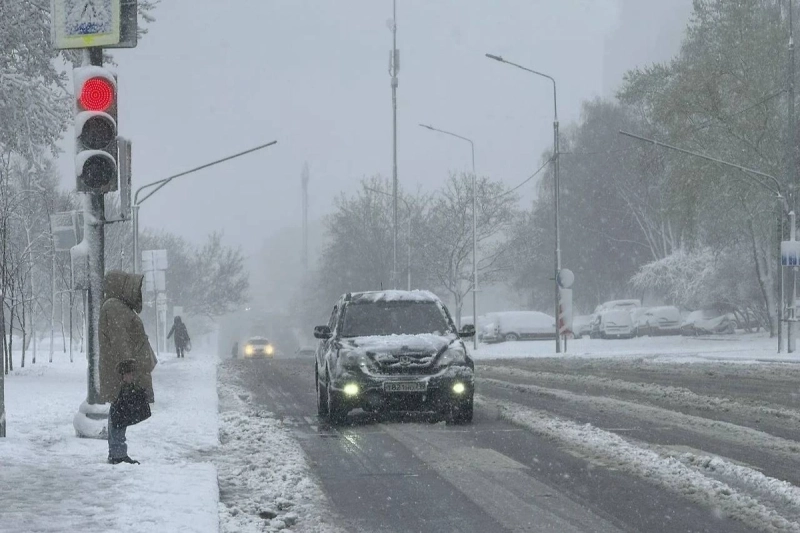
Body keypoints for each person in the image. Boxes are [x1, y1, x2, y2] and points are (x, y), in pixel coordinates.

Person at [99, 270, 155, 404]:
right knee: (120, 413)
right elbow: (120, 339)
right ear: (121, 286)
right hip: (125, 373)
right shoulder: (114, 307)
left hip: (126, 370)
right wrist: (127, 369)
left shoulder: (118, 306)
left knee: (120, 414)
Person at [107, 359, 150, 465]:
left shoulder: (124, 385)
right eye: (129, 374)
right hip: (117, 407)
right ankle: (117, 455)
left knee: (118, 428)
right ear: (123, 375)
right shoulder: (119, 387)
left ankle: (117, 454)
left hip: (119, 407)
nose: (132, 376)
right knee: (117, 428)